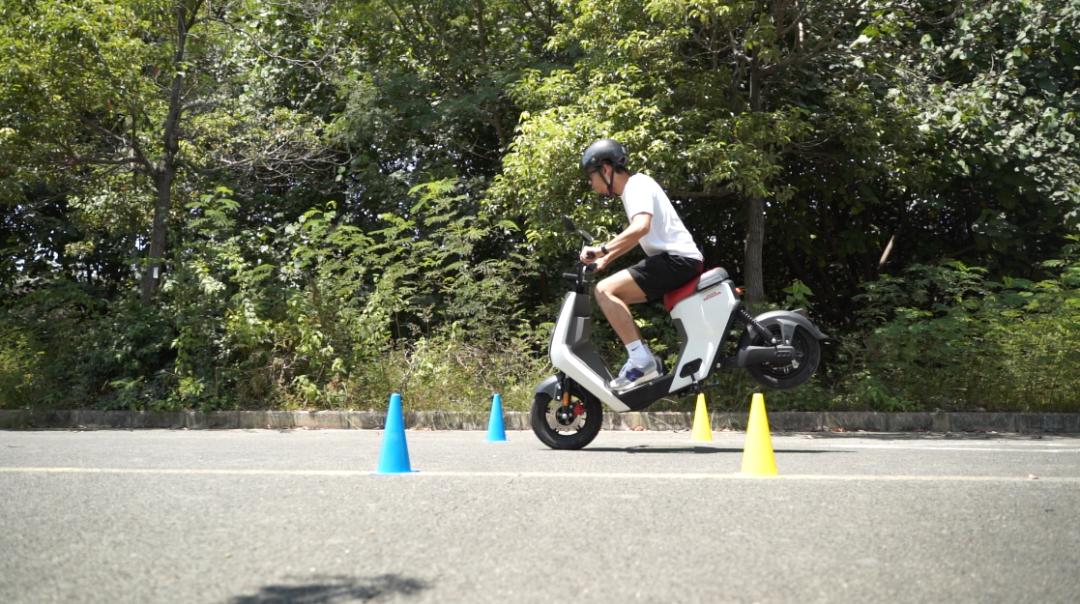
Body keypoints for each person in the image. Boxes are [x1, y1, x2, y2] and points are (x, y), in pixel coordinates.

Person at [578, 138, 704, 392]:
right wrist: (604, 259)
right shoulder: (635, 189)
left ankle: (641, 360)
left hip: (677, 260)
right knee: (611, 293)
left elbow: (640, 228)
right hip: (676, 260)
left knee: (605, 291)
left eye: (592, 176)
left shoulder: (636, 185)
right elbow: (636, 236)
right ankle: (642, 359)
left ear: (606, 169)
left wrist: (602, 249)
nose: (592, 185)